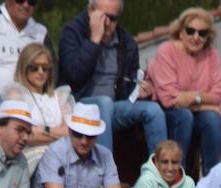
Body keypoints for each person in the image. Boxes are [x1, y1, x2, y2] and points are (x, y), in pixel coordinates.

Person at [58, 0, 167, 155]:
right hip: (77, 105)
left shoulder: (127, 42)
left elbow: (130, 86)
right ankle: (106, 173)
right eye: (103, 16)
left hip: (114, 107)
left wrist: (140, 92)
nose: (107, 23)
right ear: (90, 10)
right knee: (104, 103)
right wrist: (94, 40)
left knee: (153, 110)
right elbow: (73, 76)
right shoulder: (72, 33)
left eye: (113, 18)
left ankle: (158, 173)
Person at [146, 8, 221, 176]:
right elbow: (169, 99)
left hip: (195, 111)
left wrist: (192, 97)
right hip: (167, 112)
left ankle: (213, 180)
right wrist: (207, 105)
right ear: (180, 32)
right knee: (185, 115)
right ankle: (178, 178)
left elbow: (217, 94)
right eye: (190, 31)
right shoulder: (166, 51)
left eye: (202, 33)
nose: (196, 37)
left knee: (212, 120)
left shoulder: (212, 54)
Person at [0, 0, 54, 121]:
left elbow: (52, 69)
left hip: (30, 98)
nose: (26, 5)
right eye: (20, 0)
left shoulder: (41, 32)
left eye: (32, 1)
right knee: (7, 115)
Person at [3, 43, 69, 170]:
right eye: (34, 68)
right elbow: (23, 136)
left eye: (45, 68)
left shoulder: (60, 97)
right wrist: (57, 133)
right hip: (29, 158)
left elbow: (70, 134)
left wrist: (44, 130)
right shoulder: (16, 94)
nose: (41, 72)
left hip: (61, 156)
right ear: (24, 68)